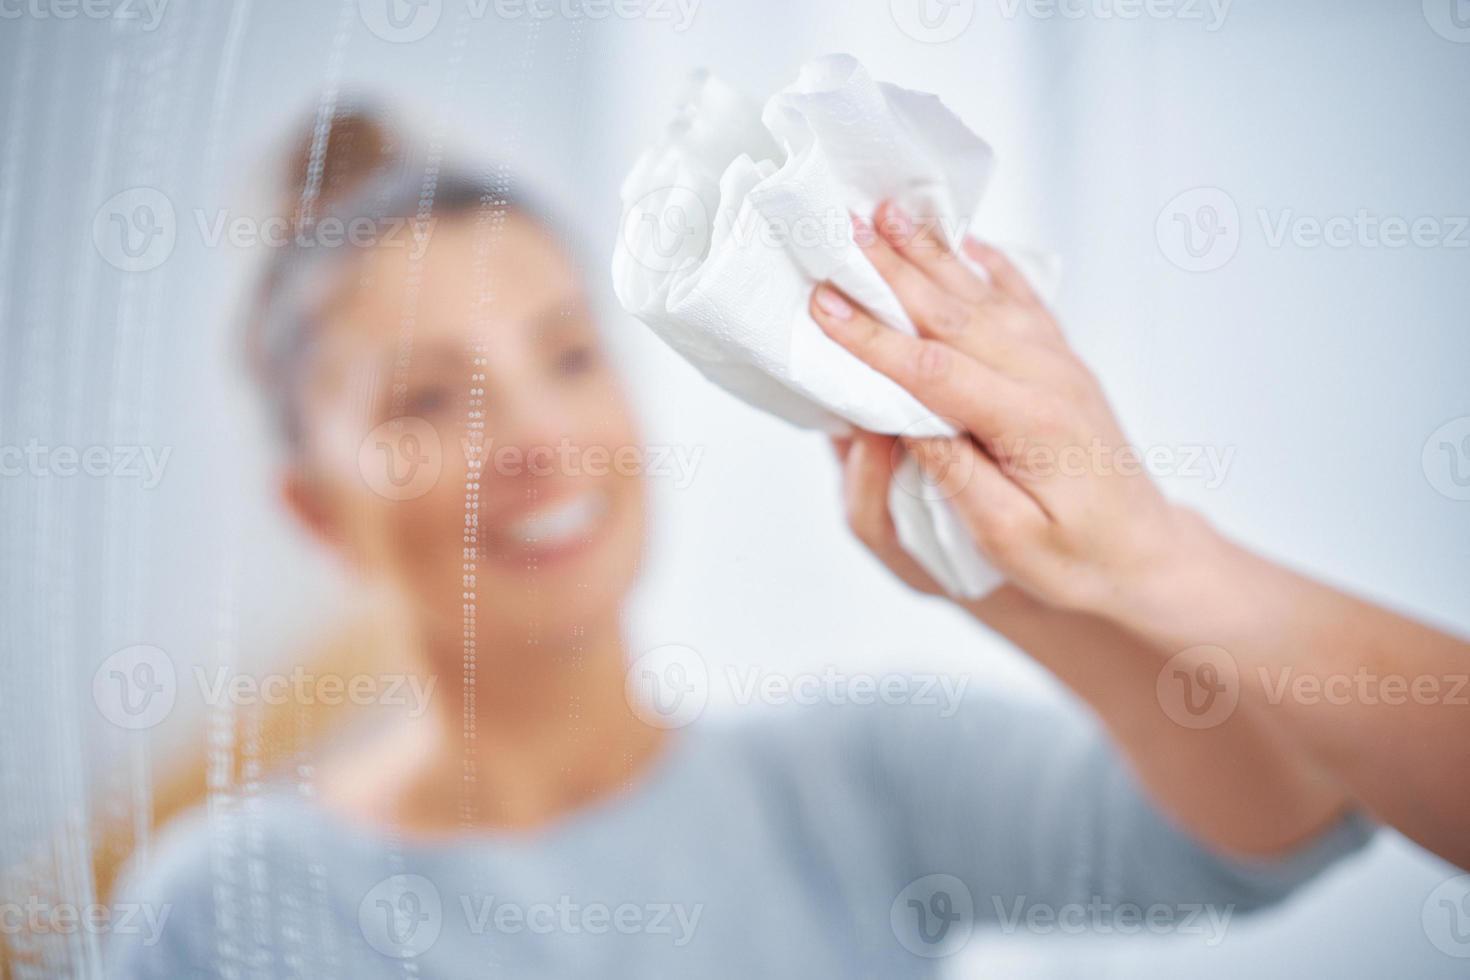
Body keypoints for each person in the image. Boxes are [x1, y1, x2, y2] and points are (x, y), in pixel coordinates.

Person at [103, 104, 1460, 979]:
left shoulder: (853, 778)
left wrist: (1043, 573)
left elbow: (1264, 833)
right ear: (315, 511)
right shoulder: (231, 912)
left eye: (569, 356)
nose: (536, 438)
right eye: (424, 398)